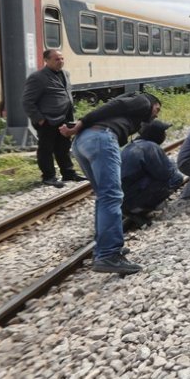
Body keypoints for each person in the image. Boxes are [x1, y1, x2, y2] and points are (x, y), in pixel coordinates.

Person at [61, 92, 162, 275]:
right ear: (153, 102)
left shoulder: (133, 114)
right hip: (101, 138)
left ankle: (103, 248)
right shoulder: (143, 100)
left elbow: (113, 108)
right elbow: (112, 107)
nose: (157, 114)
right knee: (112, 196)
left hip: (83, 142)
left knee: (104, 196)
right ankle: (109, 255)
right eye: (158, 109)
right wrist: (81, 122)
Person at [21, 49, 86, 188]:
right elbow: (27, 101)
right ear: (46, 60)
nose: (60, 61)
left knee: (63, 147)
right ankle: (49, 177)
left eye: (62, 58)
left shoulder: (65, 74)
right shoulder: (37, 77)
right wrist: (39, 119)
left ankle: (68, 173)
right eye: (57, 59)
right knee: (46, 149)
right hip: (47, 120)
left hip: (65, 118)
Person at [120, 119, 184, 228]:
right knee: (176, 178)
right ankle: (140, 208)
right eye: (163, 132)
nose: (164, 135)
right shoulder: (150, 147)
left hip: (120, 198)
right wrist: (172, 165)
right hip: (132, 198)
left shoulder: (130, 146)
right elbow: (165, 174)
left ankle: (132, 207)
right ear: (156, 134)